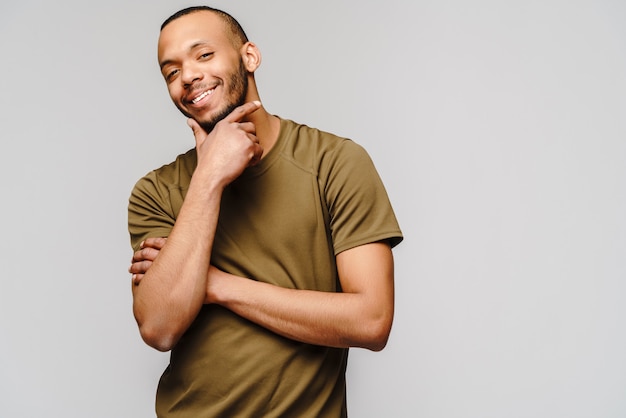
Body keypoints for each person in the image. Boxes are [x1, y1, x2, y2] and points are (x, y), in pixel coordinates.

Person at [127, 6, 403, 417]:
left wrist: (216, 286)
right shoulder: (156, 191)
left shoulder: (334, 163)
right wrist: (208, 179)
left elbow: (371, 320)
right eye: (171, 72)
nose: (187, 77)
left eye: (203, 55)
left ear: (249, 57)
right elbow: (160, 326)